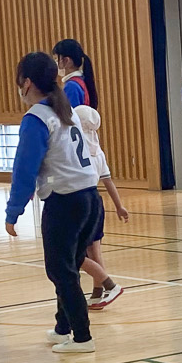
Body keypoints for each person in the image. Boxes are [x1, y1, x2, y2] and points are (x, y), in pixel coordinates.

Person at [6, 52, 100, 355]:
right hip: (89, 197)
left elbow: (24, 168)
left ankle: (83, 337)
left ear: (27, 82)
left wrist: (13, 211)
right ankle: (64, 327)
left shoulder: (36, 117)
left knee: (60, 270)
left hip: (66, 201)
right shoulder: (65, 111)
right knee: (69, 265)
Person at [73, 104, 129, 308]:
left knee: (84, 252)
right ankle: (97, 292)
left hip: (83, 200)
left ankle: (108, 286)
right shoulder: (99, 152)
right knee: (94, 249)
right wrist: (119, 206)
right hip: (96, 201)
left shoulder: (79, 152)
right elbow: (108, 181)